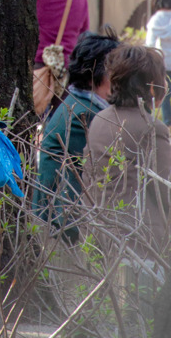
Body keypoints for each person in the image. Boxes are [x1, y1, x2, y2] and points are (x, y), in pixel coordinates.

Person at [83, 44, 171, 330]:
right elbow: (166, 189)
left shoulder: (100, 119)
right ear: (151, 85)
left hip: (103, 238)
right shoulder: (150, 128)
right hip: (143, 244)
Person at [34, 29, 119, 238]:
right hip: (64, 229)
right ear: (93, 75)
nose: (120, 79)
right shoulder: (84, 115)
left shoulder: (77, 104)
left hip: (58, 222)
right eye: (115, 71)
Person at [34, 0, 90, 114]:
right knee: (57, 124)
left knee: (32, 116)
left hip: (38, 65)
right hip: (65, 70)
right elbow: (84, 31)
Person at [145, 0, 171, 126]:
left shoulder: (156, 20)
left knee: (165, 95)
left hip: (163, 64)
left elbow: (149, 45)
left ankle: (167, 123)